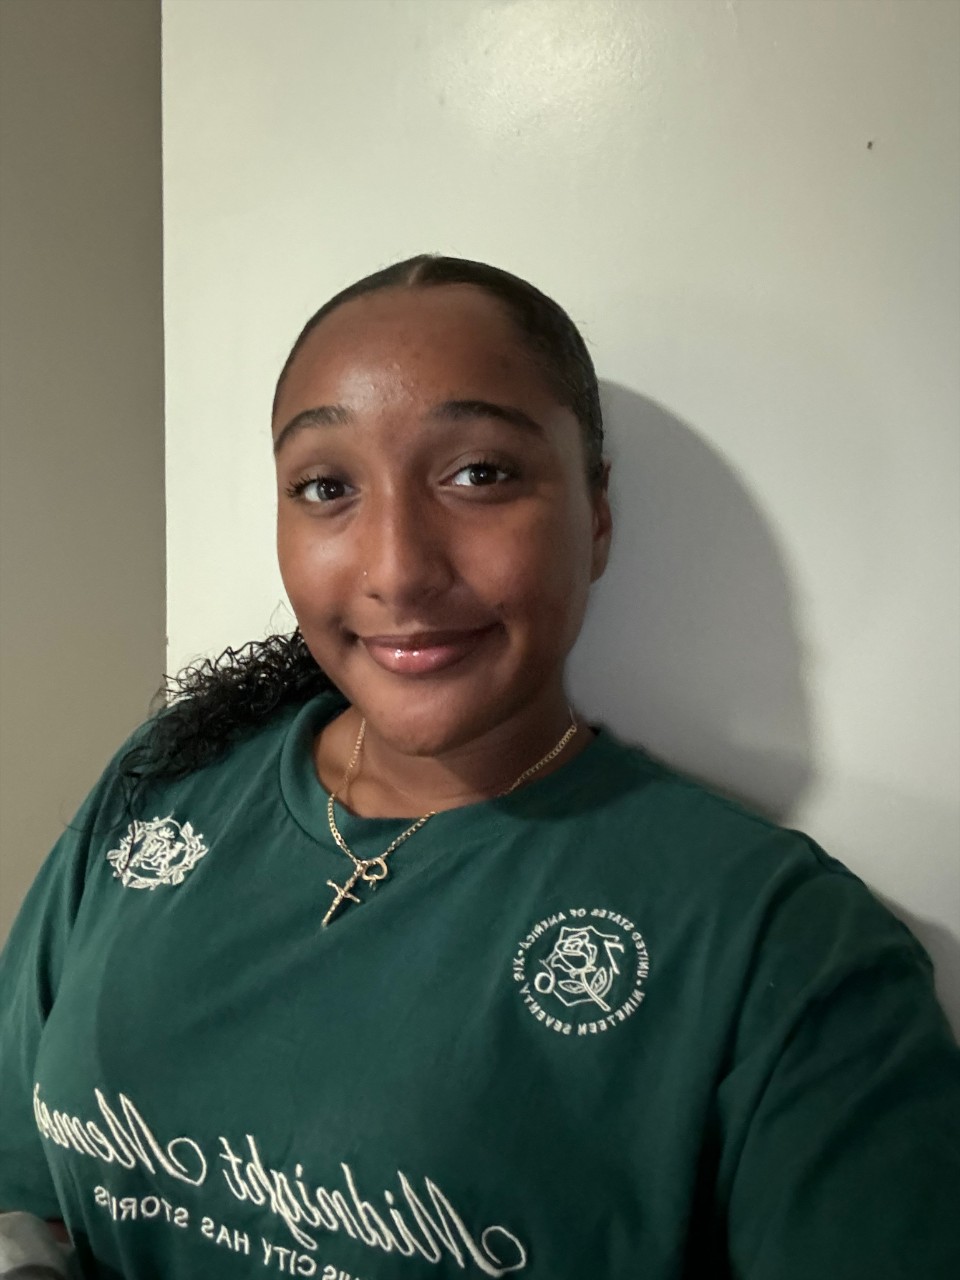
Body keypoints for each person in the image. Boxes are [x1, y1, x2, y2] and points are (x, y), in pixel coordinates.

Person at [0, 254, 958, 1280]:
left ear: (596, 515)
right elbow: (23, 1190)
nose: (400, 566)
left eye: (480, 474)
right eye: (326, 486)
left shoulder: (780, 949)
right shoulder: (169, 775)